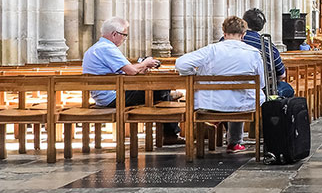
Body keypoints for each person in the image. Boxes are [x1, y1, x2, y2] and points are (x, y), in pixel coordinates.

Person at [82, 16, 183, 145]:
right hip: (112, 97)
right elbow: (131, 71)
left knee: (161, 91)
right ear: (114, 34)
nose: (124, 39)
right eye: (124, 35)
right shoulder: (107, 48)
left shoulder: (98, 47)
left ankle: (168, 130)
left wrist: (143, 66)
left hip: (107, 94)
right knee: (161, 88)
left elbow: (124, 71)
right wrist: (145, 63)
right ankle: (170, 135)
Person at [176, 15, 265, 154]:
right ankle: (234, 143)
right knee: (238, 97)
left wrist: (194, 75)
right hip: (241, 105)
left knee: (227, 98)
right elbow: (262, 82)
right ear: (243, 35)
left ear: (224, 33)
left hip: (212, 104)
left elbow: (181, 63)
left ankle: (215, 122)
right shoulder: (253, 53)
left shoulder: (211, 50)